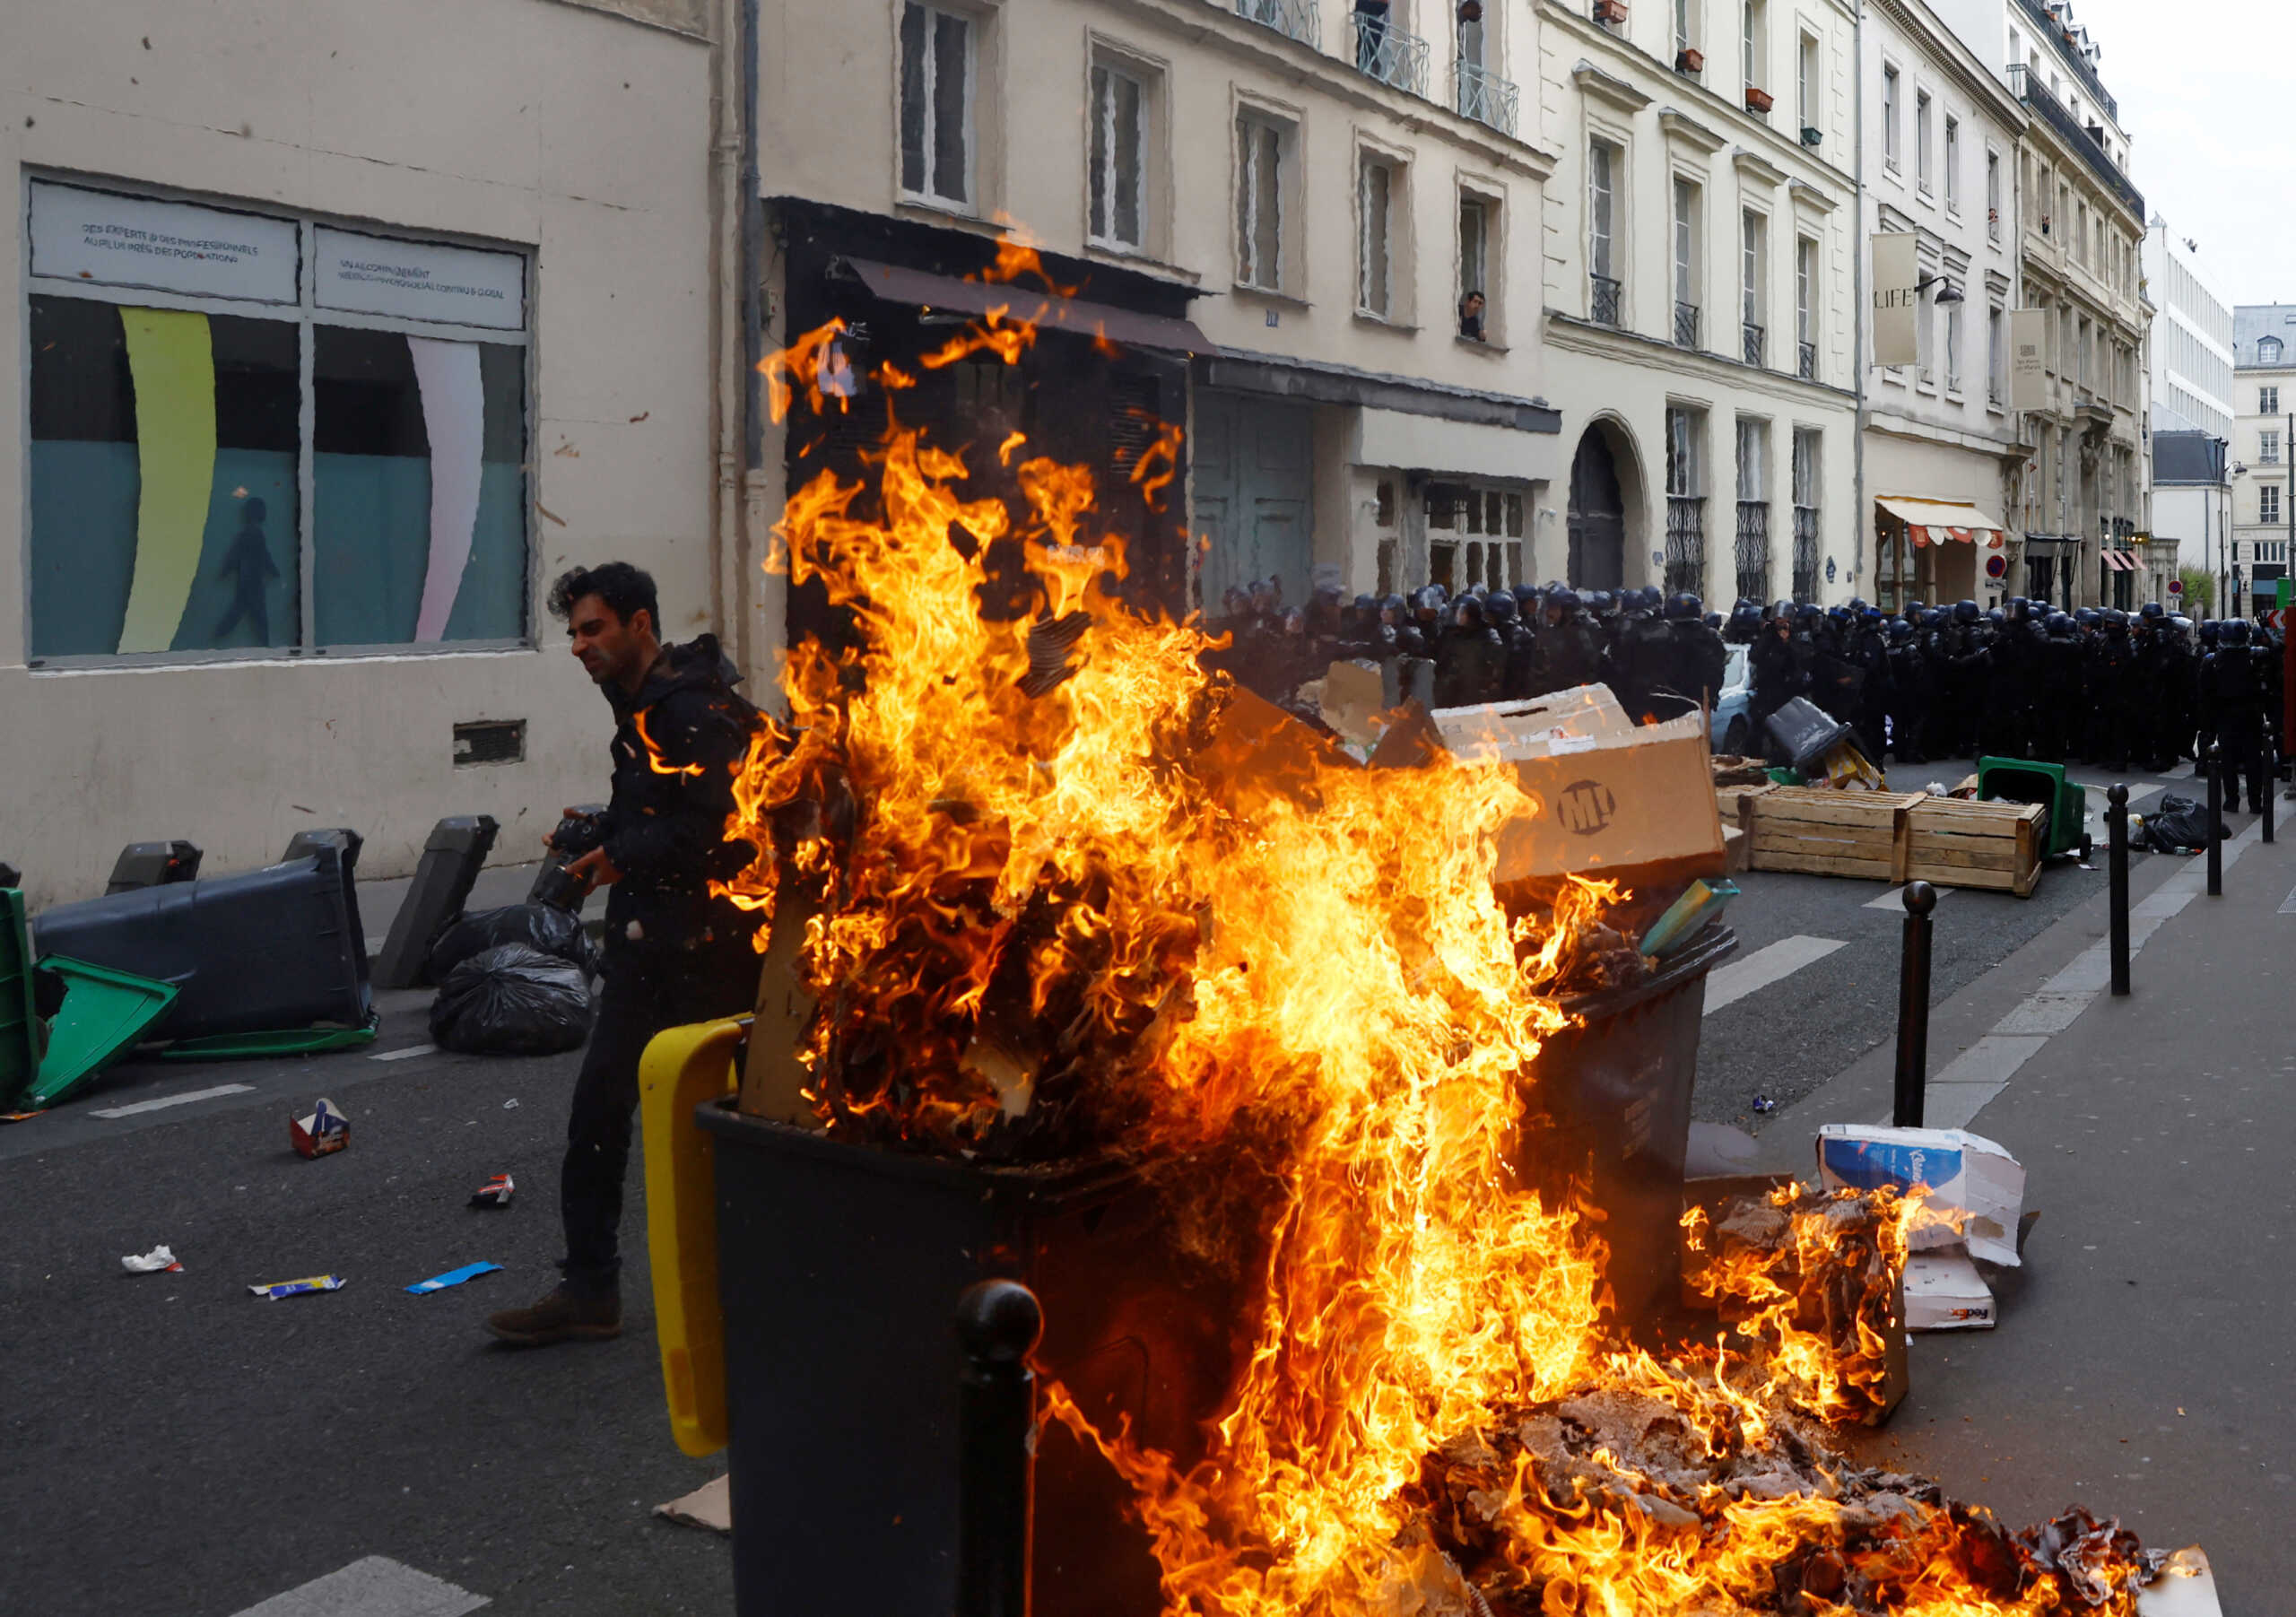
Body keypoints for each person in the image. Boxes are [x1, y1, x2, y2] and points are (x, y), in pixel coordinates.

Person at [487, 563, 764, 1348]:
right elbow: (650, 811)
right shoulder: (639, 704)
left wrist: (620, 856)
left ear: (640, 622)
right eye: (573, 632)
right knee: (599, 1113)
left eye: (593, 628)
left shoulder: (693, 710)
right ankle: (591, 1290)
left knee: (734, 1128)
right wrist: (594, 834)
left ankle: (767, 1288)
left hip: (708, 948)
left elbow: (715, 831)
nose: (579, 646)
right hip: (650, 947)